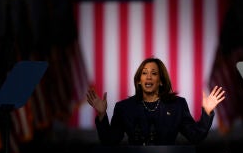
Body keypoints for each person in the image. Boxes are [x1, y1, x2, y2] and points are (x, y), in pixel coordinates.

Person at [86, 57, 225, 145]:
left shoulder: (177, 105)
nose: (148, 77)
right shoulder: (124, 107)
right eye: (144, 73)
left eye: (154, 73)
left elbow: (195, 136)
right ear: (139, 81)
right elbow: (110, 140)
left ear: (161, 81)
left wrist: (207, 112)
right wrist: (102, 115)